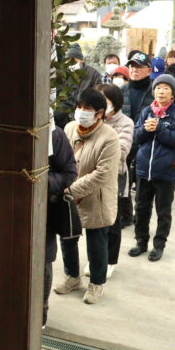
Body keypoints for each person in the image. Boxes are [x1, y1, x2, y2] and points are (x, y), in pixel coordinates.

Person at [53, 89, 120, 304]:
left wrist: (70, 190)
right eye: (80, 107)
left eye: (88, 109)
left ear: (100, 113)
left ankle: (96, 284)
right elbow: (59, 159)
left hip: (95, 198)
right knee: (68, 238)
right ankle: (72, 277)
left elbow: (102, 174)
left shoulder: (110, 137)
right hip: (67, 195)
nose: (82, 112)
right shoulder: (70, 128)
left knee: (96, 242)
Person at [129, 74, 175, 260]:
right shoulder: (147, 111)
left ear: (173, 94)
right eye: (158, 88)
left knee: (163, 211)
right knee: (141, 208)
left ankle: (159, 245)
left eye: (166, 88)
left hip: (166, 170)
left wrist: (160, 128)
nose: (161, 91)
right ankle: (141, 241)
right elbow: (136, 136)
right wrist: (146, 129)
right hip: (144, 168)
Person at [95, 84, 133, 277]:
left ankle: (110, 260)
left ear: (115, 104)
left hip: (114, 176)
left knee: (112, 220)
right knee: (95, 220)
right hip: (92, 176)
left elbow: (122, 152)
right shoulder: (94, 119)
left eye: (105, 102)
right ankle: (96, 258)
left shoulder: (125, 123)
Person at [43, 119, 77, 326]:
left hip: (43, 209)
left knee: (43, 261)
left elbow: (69, 173)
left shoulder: (54, 134)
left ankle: (40, 311)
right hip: (4, 211)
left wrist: (40, 181)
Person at [120, 51, 154, 227]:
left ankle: (141, 221)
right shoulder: (122, 90)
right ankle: (125, 215)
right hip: (125, 143)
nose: (134, 70)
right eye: (132, 66)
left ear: (149, 70)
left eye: (139, 67)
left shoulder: (156, 92)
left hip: (145, 144)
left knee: (142, 186)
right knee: (123, 181)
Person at [54, 43, 102, 128]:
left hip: (84, 119)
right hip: (62, 121)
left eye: (74, 60)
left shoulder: (93, 75)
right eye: (68, 60)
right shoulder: (61, 74)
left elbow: (97, 97)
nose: (71, 63)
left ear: (81, 60)